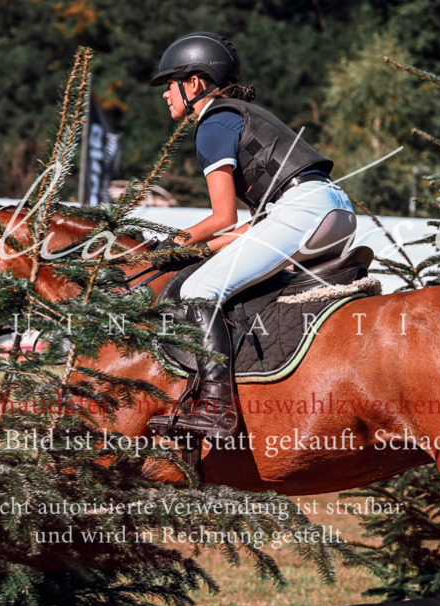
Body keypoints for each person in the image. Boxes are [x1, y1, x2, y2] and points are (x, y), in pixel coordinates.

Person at [146, 32, 355, 441]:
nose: (165, 94)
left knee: (199, 290)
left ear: (194, 83)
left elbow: (222, 217)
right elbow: (246, 229)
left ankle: (216, 409)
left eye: (169, 84)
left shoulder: (212, 122)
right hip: (333, 208)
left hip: (302, 210)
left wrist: (171, 246)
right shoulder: (236, 114)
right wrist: (198, 247)